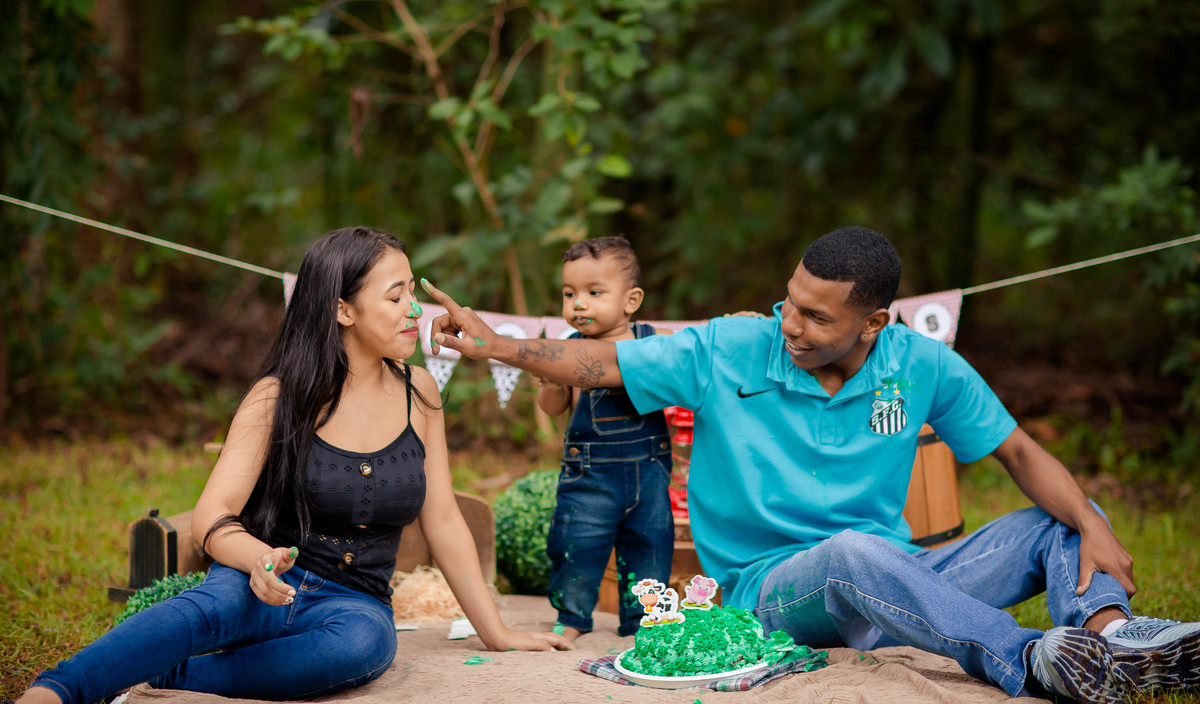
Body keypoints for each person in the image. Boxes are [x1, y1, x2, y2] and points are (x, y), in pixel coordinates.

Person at [420, 226, 1200, 704]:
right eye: (790, 300)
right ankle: (1029, 658)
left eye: (816, 315)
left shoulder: (920, 363)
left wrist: (1090, 524)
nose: (789, 321)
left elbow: (1021, 452)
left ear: (875, 322)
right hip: (770, 592)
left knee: (1058, 520)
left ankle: (1117, 644)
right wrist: (499, 347)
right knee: (854, 554)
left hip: (898, 581)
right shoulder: (731, 345)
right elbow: (594, 366)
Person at [19, 226, 570, 704]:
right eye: (396, 294)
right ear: (343, 309)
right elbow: (215, 513)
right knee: (207, 608)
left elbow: (444, 517)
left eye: (412, 291)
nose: (414, 309)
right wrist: (258, 561)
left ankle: (174, 673)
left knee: (365, 647)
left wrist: (494, 630)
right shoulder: (277, 396)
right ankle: (59, 689)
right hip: (258, 576)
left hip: (351, 605)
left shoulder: (419, 393)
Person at [534, 236, 674, 640]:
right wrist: (550, 382)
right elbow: (552, 407)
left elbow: (687, 370)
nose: (579, 303)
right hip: (589, 479)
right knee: (576, 546)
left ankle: (644, 620)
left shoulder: (656, 341)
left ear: (631, 300)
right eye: (569, 293)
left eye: (594, 293)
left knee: (650, 548)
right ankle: (573, 617)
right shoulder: (567, 350)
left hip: (648, 474)